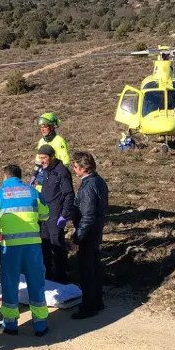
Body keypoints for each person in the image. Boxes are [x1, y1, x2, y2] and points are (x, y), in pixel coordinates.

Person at [0, 165, 51, 336]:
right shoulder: (33, 192)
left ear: (5, 177)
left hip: (10, 248)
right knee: (36, 283)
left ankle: (11, 324)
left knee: (10, 283)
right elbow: (45, 214)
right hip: (33, 246)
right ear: (20, 177)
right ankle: (40, 324)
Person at [70, 151, 109, 320]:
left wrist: (77, 238)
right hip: (97, 229)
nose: (74, 169)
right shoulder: (99, 181)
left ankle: (89, 306)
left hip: (88, 232)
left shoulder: (87, 187)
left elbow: (87, 216)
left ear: (81, 168)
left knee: (86, 271)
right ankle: (97, 301)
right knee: (95, 266)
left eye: (75, 166)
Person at [38, 144, 75, 284]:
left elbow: (69, 194)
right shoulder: (46, 170)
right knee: (44, 244)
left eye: (44, 157)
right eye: (40, 158)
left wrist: (64, 215)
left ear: (52, 156)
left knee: (57, 245)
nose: (42, 161)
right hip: (44, 215)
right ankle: (47, 275)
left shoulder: (62, 172)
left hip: (56, 214)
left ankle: (61, 278)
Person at [32, 112, 70, 189]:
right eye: (41, 127)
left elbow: (65, 164)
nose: (42, 129)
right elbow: (38, 162)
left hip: (54, 178)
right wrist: (34, 175)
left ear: (52, 127)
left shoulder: (59, 141)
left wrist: (59, 179)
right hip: (41, 179)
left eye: (45, 127)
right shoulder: (41, 141)